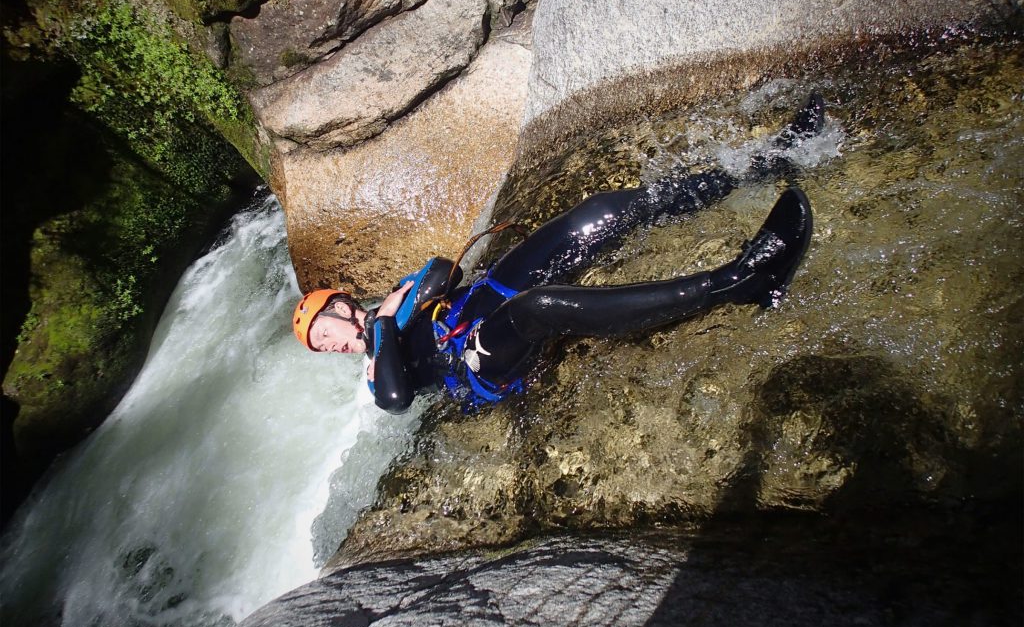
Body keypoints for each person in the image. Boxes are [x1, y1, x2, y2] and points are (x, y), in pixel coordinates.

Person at [293, 94, 825, 413]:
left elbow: (437, 273)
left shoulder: (393, 304)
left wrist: (399, 307)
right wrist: (385, 323)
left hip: (490, 289)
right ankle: (740, 281)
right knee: (539, 307)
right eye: (321, 347)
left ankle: (768, 159)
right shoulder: (375, 359)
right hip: (477, 358)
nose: (330, 346)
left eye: (324, 334)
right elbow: (394, 398)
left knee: (595, 215)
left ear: (340, 307)